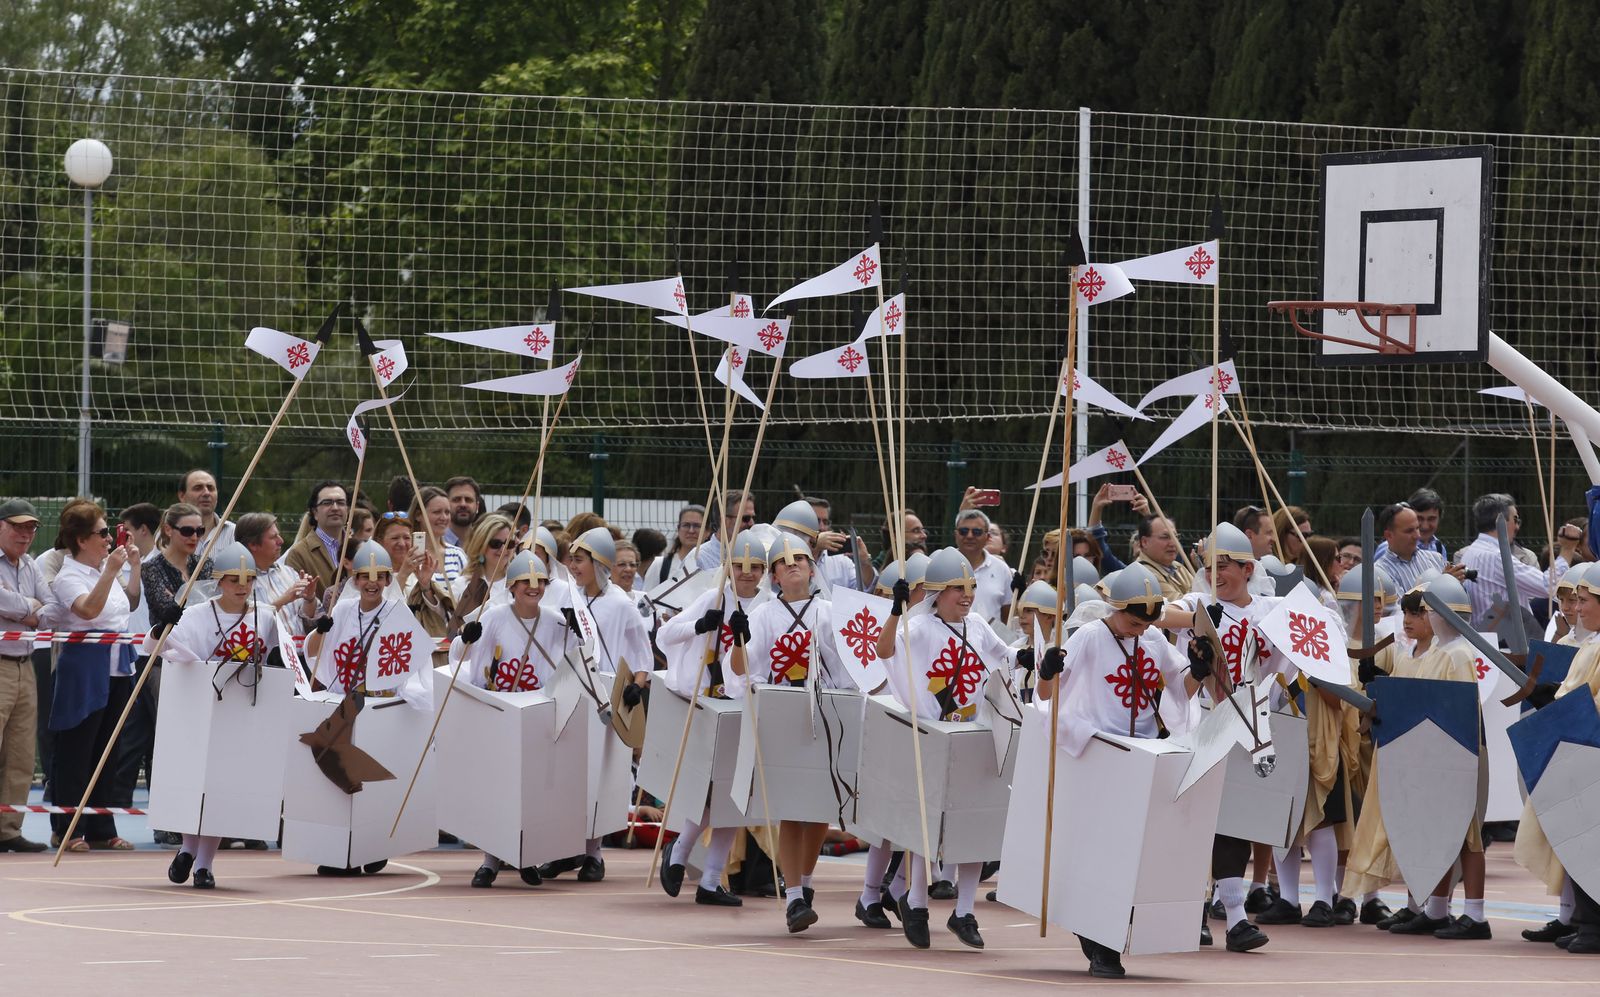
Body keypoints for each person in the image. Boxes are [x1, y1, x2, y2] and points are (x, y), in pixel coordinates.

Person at [1034, 563, 1205, 977]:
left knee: (1132, 852)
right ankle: (1097, 940)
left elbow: (1179, 691)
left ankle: (1108, 933)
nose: (1139, 629)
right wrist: (1046, 672)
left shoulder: (1152, 640)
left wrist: (1197, 671)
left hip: (1142, 755)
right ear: (1115, 608)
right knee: (1096, 851)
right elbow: (1045, 695)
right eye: (1133, 620)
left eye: (1147, 622)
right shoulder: (1090, 637)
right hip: (1096, 752)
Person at [874, 547, 1020, 950]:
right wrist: (896, 610)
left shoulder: (977, 625)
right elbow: (884, 652)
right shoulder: (919, 628)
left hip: (974, 734)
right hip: (934, 734)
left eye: (970, 586)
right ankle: (916, 903)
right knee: (930, 823)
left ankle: (964, 911)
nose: (967, 595)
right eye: (957, 588)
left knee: (975, 823)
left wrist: (1029, 656)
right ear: (938, 592)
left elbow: (1005, 658)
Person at [1160, 522, 1294, 955]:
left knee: (1235, 822)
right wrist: (1200, 620)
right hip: (1201, 722)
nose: (1217, 574)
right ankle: (1192, 912)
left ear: (1249, 568)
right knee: (1197, 821)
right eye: (1211, 565)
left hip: (1250, 726)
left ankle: (1235, 920)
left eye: (1227, 566)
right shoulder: (1198, 601)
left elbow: (1310, 638)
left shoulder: (1271, 610)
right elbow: (1159, 614)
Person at [1345, 574, 1491, 940]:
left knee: (1466, 836)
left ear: (1441, 615)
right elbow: (1403, 704)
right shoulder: (1411, 654)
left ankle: (1476, 914)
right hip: (1418, 759)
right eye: (1406, 612)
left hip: (1452, 756)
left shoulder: (1456, 654)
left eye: (1418, 612)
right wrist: (1378, 684)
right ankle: (1434, 909)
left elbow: (1457, 708)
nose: (1407, 619)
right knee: (1431, 834)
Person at [728, 533, 848, 934]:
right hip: (783, 712)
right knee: (791, 812)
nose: (792, 564)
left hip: (823, 713)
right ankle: (794, 896)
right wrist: (738, 637)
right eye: (782, 561)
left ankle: (806, 883)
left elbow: (848, 667)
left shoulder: (831, 612)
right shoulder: (763, 615)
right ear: (774, 576)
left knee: (817, 811)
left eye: (799, 558)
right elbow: (745, 669)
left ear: (812, 569)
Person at [653, 529, 772, 908]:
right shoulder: (712, 597)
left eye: (755, 566)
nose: (747, 573)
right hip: (707, 703)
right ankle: (680, 848)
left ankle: (710, 880)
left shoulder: (770, 607)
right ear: (728, 566)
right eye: (739, 565)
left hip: (747, 709)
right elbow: (665, 635)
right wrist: (701, 625)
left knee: (737, 796)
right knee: (708, 790)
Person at [155, 543, 281, 890]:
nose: (241, 586)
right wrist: (162, 625)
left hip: (238, 713)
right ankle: (187, 847)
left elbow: (280, 656)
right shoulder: (197, 615)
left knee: (223, 788)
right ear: (219, 581)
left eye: (248, 579)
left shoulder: (264, 617)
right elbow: (159, 647)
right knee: (194, 783)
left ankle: (204, 865)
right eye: (233, 579)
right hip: (198, 709)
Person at [450, 549, 571, 888]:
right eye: (525, 583)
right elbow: (461, 654)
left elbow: (577, 657)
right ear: (513, 587)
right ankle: (490, 860)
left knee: (531, 790)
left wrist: (578, 630)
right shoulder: (493, 616)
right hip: (499, 710)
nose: (533, 588)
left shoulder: (557, 621)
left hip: (538, 712)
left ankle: (527, 857)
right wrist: (467, 637)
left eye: (539, 582)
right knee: (497, 788)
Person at [1514, 559, 1600, 954]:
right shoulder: (1593, 644)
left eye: (1584, 600)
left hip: (1590, 750)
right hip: (1580, 749)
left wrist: (1563, 703)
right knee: (1579, 838)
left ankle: (1593, 927)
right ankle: (1586, 922)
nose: (1577, 609)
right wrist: (1553, 696)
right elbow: (1573, 689)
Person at [48, 501, 141, 851]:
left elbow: (128, 605)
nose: (109, 538)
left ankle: (102, 826)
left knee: (108, 748)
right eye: (102, 533)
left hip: (117, 663)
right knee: (77, 747)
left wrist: (132, 568)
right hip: (85, 666)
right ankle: (68, 828)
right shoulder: (68, 576)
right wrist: (109, 572)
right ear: (81, 539)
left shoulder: (108, 568)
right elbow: (88, 610)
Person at [128, 503, 216, 844]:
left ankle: (198, 815)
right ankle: (168, 818)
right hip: (167, 664)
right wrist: (187, 609)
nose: (195, 537)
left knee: (200, 742)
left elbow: (213, 608)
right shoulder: (153, 568)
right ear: (168, 530)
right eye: (187, 531)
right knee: (168, 740)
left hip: (202, 663)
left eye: (199, 531)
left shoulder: (204, 564)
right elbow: (164, 611)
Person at [0, 500, 48, 852]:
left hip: (24, 664)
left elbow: (52, 609)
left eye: (30, 528)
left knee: (20, 754)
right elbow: (22, 606)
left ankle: (8, 829)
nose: (25, 534)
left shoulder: (31, 564)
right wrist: (28, 607)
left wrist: (28, 610)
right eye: (17, 526)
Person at [1455, 493, 1555, 631]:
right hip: (1507, 647)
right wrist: (1567, 552)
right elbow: (1549, 586)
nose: (1517, 526)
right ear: (1500, 520)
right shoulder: (1497, 557)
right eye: (1515, 519)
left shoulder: (1469, 553)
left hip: (1489, 640)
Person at [371, 515, 452, 664]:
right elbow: (380, 614)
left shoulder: (422, 573)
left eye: (407, 538)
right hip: (388, 657)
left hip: (423, 658)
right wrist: (403, 574)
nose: (402, 544)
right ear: (379, 542)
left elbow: (441, 620)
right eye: (395, 538)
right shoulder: (371, 577)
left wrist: (426, 586)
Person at [449, 513, 518, 627]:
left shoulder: (519, 583)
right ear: (481, 545)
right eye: (495, 544)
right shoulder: (462, 585)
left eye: (509, 543)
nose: (503, 549)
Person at [283, 480, 350, 591]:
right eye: (327, 503)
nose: (335, 508)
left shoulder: (359, 548)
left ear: (348, 510)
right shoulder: (298, 554)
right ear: (315, 512)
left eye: (341, 502)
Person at [1374, 502, 1451, 595]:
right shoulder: (1381, 572)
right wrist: (1444, 584)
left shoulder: (1435, 559)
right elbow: (1400, 608)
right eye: (1409, 531)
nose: (1417, 535)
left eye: (1417, 528)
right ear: (1389, 535)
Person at [952, 509, 1011, 624]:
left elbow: (1007, 615)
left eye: (977, 532)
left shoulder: (1002, 569)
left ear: (987, 537)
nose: (969, 536)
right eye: (963, 531)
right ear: (955, 534)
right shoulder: (943, 565)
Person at [410, 485, 468, 587]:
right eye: (437, 512)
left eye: (447, 512)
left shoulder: (457, 555)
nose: (444, 517)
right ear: (418, 515)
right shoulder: (408, 555)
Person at [1133, 514, 1194, 602]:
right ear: (1145, 542)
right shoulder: (1144, 574)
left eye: (1175, 537)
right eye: (1165, 537)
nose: (1173, 543)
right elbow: (1183, 605)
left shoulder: (1178, 567)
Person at [698, 490, 756, 572]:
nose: (752, 523)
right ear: (724, 520)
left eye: (753, 517)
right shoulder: (700, 558)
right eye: (746, 518)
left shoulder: (755, 554)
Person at [649, 505, 704, 586]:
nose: (691, 531)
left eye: (697, 526)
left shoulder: (714, 565)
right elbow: (647, 597)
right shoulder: (659, 565)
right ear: (678, 529)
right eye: (686, 525)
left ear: (708, 531)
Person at [178, 470, 234, 549]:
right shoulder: (170, 533)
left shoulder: (234, 533)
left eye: (211, 488)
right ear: (182, 496)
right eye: (198, 488)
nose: (206, 493)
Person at [442, 475, 484, 546]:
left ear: (477, 506)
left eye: (468, 500)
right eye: (456, 499)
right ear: (445, 504)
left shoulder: (485, 544)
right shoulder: (434, 543)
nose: (463, 504)